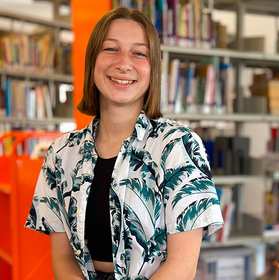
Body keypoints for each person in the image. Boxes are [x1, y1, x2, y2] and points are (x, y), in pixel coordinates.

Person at [25, 7, 223, 280]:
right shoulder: (61, 154)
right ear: (92, 60)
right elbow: (62, 258)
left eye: (139, 53)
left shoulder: (179, 146)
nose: (124, 63)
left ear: (153, 67)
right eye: (111, 49)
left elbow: (182, 266)